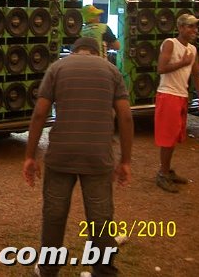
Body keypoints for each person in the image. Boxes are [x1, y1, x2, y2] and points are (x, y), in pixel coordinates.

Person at [23, 37, 133, 277]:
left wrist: (30, 156)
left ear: (74, 52)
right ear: (96, 52)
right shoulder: (111, 71)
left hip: (61, 154)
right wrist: (125, 161)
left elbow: (40, 113)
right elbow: (125, 117)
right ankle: (103, 272)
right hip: (98, 156)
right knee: (100, 218)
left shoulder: (57, 68)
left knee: (54, 215)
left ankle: (48, 270)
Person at [154, 13, 199, 193]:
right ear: (181, 27)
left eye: (196, 27)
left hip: (181, 96)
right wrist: (182, 62)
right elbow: (161, 69)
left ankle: (167, 170)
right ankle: (162, 173)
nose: (195, 30)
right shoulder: (170, 43)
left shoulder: (192, 49)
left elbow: (196, 74)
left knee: (175, 136)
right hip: (168, 95)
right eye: (190, 26)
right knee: (168, 138)